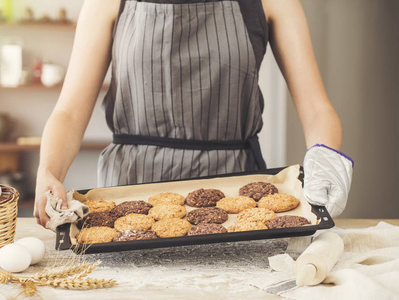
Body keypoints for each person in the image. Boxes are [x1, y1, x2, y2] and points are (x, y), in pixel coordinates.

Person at [34, 0, 353, 228]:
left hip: (234, 191)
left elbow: (316, 108)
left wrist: (325, 159)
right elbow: (70, 112)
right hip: (128, 189)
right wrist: (49, 170)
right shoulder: (108, 3)